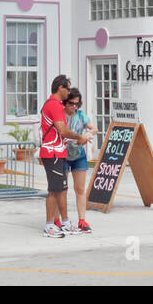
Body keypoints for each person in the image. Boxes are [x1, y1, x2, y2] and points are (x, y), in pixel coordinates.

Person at [39, 74, 87, 238]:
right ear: (60, 88)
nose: (69, 92)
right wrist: (79, 137)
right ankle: (49, 225)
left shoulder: (54, 104)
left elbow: (60, 133)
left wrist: (74, 140)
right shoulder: (55, 106)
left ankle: (65, 222)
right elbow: (63, 130)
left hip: (58, 151)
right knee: (54, 190)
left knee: (62, 189)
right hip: (52, 152)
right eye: (67, 88)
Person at [63, 88, 98, 234]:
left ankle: (82, 220)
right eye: (71, 103)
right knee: (61, 190)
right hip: (63, 155)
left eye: (77, 104)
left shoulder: (81, 115)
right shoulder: (60, 115)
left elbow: (94, 129)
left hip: (78, 155)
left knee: (80, 189)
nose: (74, 106)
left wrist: (88, 134)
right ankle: (61, 220)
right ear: (65, 102)